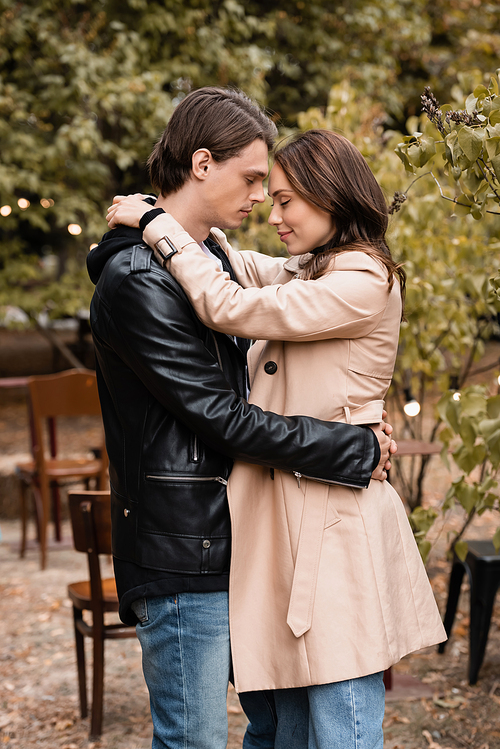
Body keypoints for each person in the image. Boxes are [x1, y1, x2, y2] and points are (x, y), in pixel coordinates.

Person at [107, 128, 447, 749]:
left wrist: (159, 224)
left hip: (334, 518)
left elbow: (230, 304)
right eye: (269, 191)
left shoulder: (364, 280)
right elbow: (237, 264)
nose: (275, 211)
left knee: (340, 719)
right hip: (286, 511)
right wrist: (195, 220)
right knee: (283, 723)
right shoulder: (314, 270)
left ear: (332, 196)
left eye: (288, 199)